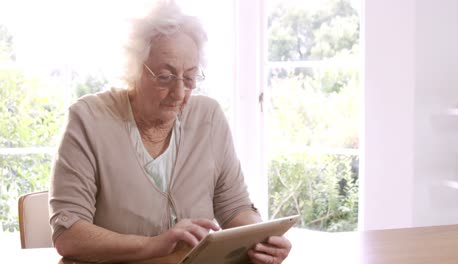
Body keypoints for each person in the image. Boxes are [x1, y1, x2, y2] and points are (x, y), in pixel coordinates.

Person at [48, 0, 291, 263]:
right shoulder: (89, 120)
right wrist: (154, 245)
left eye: (189, 78)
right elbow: (69, 234)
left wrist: (261, 238)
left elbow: (235, 207)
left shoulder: (209, 118)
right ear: (135, 68)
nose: (179, 93)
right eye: (165, 76)